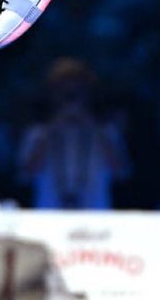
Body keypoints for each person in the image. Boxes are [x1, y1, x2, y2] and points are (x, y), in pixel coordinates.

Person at [15, 57, 130, 209]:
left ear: (87, 93)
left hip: (95, 216)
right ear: (54, 95)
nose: (71, 99)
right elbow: (26, 175)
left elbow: (120, 173)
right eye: (65, 93)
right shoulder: (37, 134)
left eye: (76, 93)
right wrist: (52, 129)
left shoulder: (106, 132)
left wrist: (92, 126)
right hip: (50, 215)